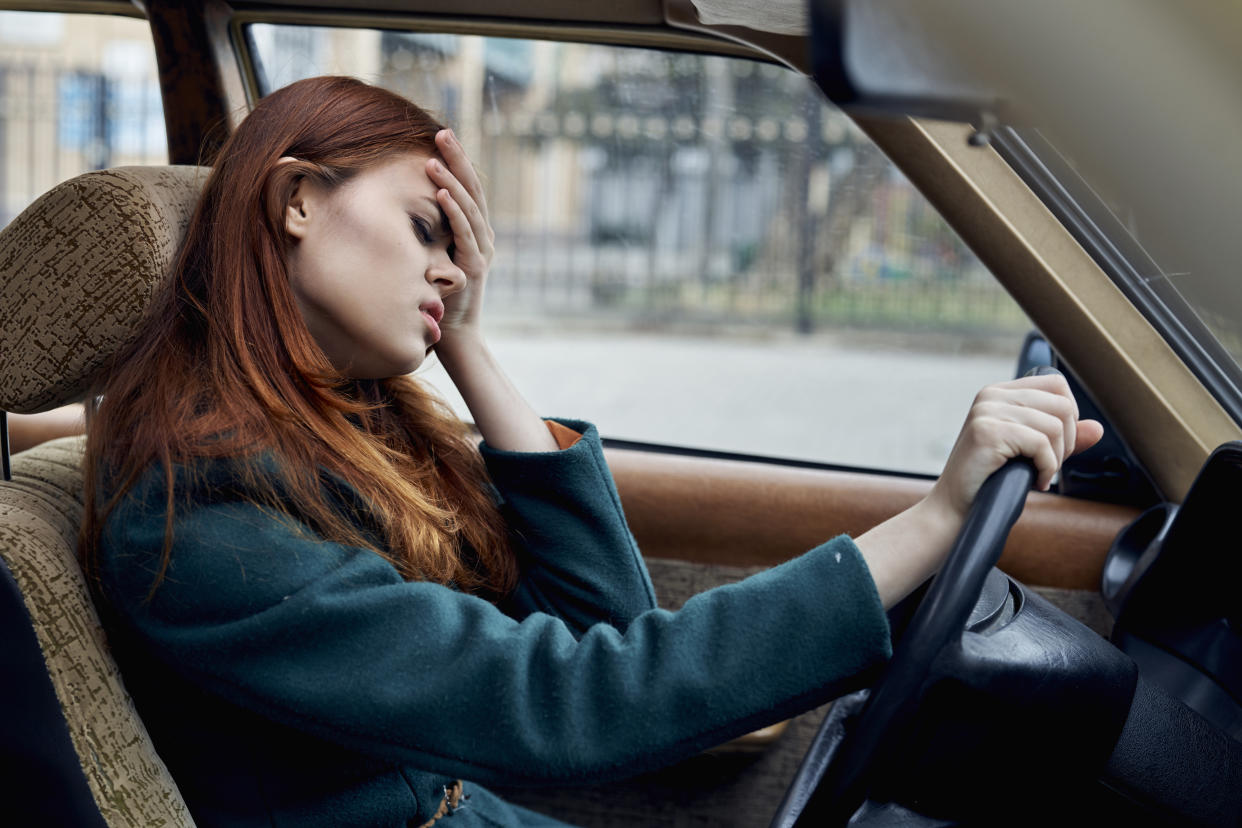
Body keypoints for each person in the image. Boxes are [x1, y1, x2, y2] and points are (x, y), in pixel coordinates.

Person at [81, 76, 1102, 828]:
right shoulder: (202, 519)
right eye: (429, 227)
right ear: (297, 199)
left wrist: (467, 343)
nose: (455, 266)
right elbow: (580, 700)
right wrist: (930, 524)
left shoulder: (338, 438)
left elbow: (603, 622)